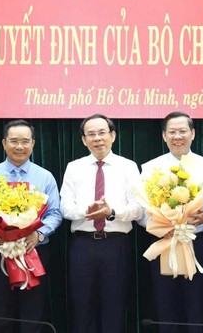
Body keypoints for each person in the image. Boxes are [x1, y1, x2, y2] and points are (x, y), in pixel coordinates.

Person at [0, 120, 62, 333]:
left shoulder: (45, 177)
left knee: (32, 313)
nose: (19, 146)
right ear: (4, 143)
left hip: (34, 252)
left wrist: (39, 234)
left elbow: (55, 213)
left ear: (33, 143)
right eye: (14, 141)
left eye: (25, 141)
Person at [60, 114, 143, 333]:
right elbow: (65, 207)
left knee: (115, 304)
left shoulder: (128, 167)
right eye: (91, 134)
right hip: (83, 245)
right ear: (83, 140)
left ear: (112, 135)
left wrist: (112, 212)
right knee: (82, 305)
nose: (97, 138)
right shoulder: (74, 167)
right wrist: (86, 211)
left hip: (116, 245)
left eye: (102, 133)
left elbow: (138, 209)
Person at [140, 111, 203, 332]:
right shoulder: (150, 168)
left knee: (198, 306)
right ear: (164, 136)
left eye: (183, 131)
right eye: (172, 132)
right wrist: (161, 226)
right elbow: (142, 212)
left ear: (192, 134)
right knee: (166, 305)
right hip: (164, 243)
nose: (178, 136)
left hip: (198, 243)